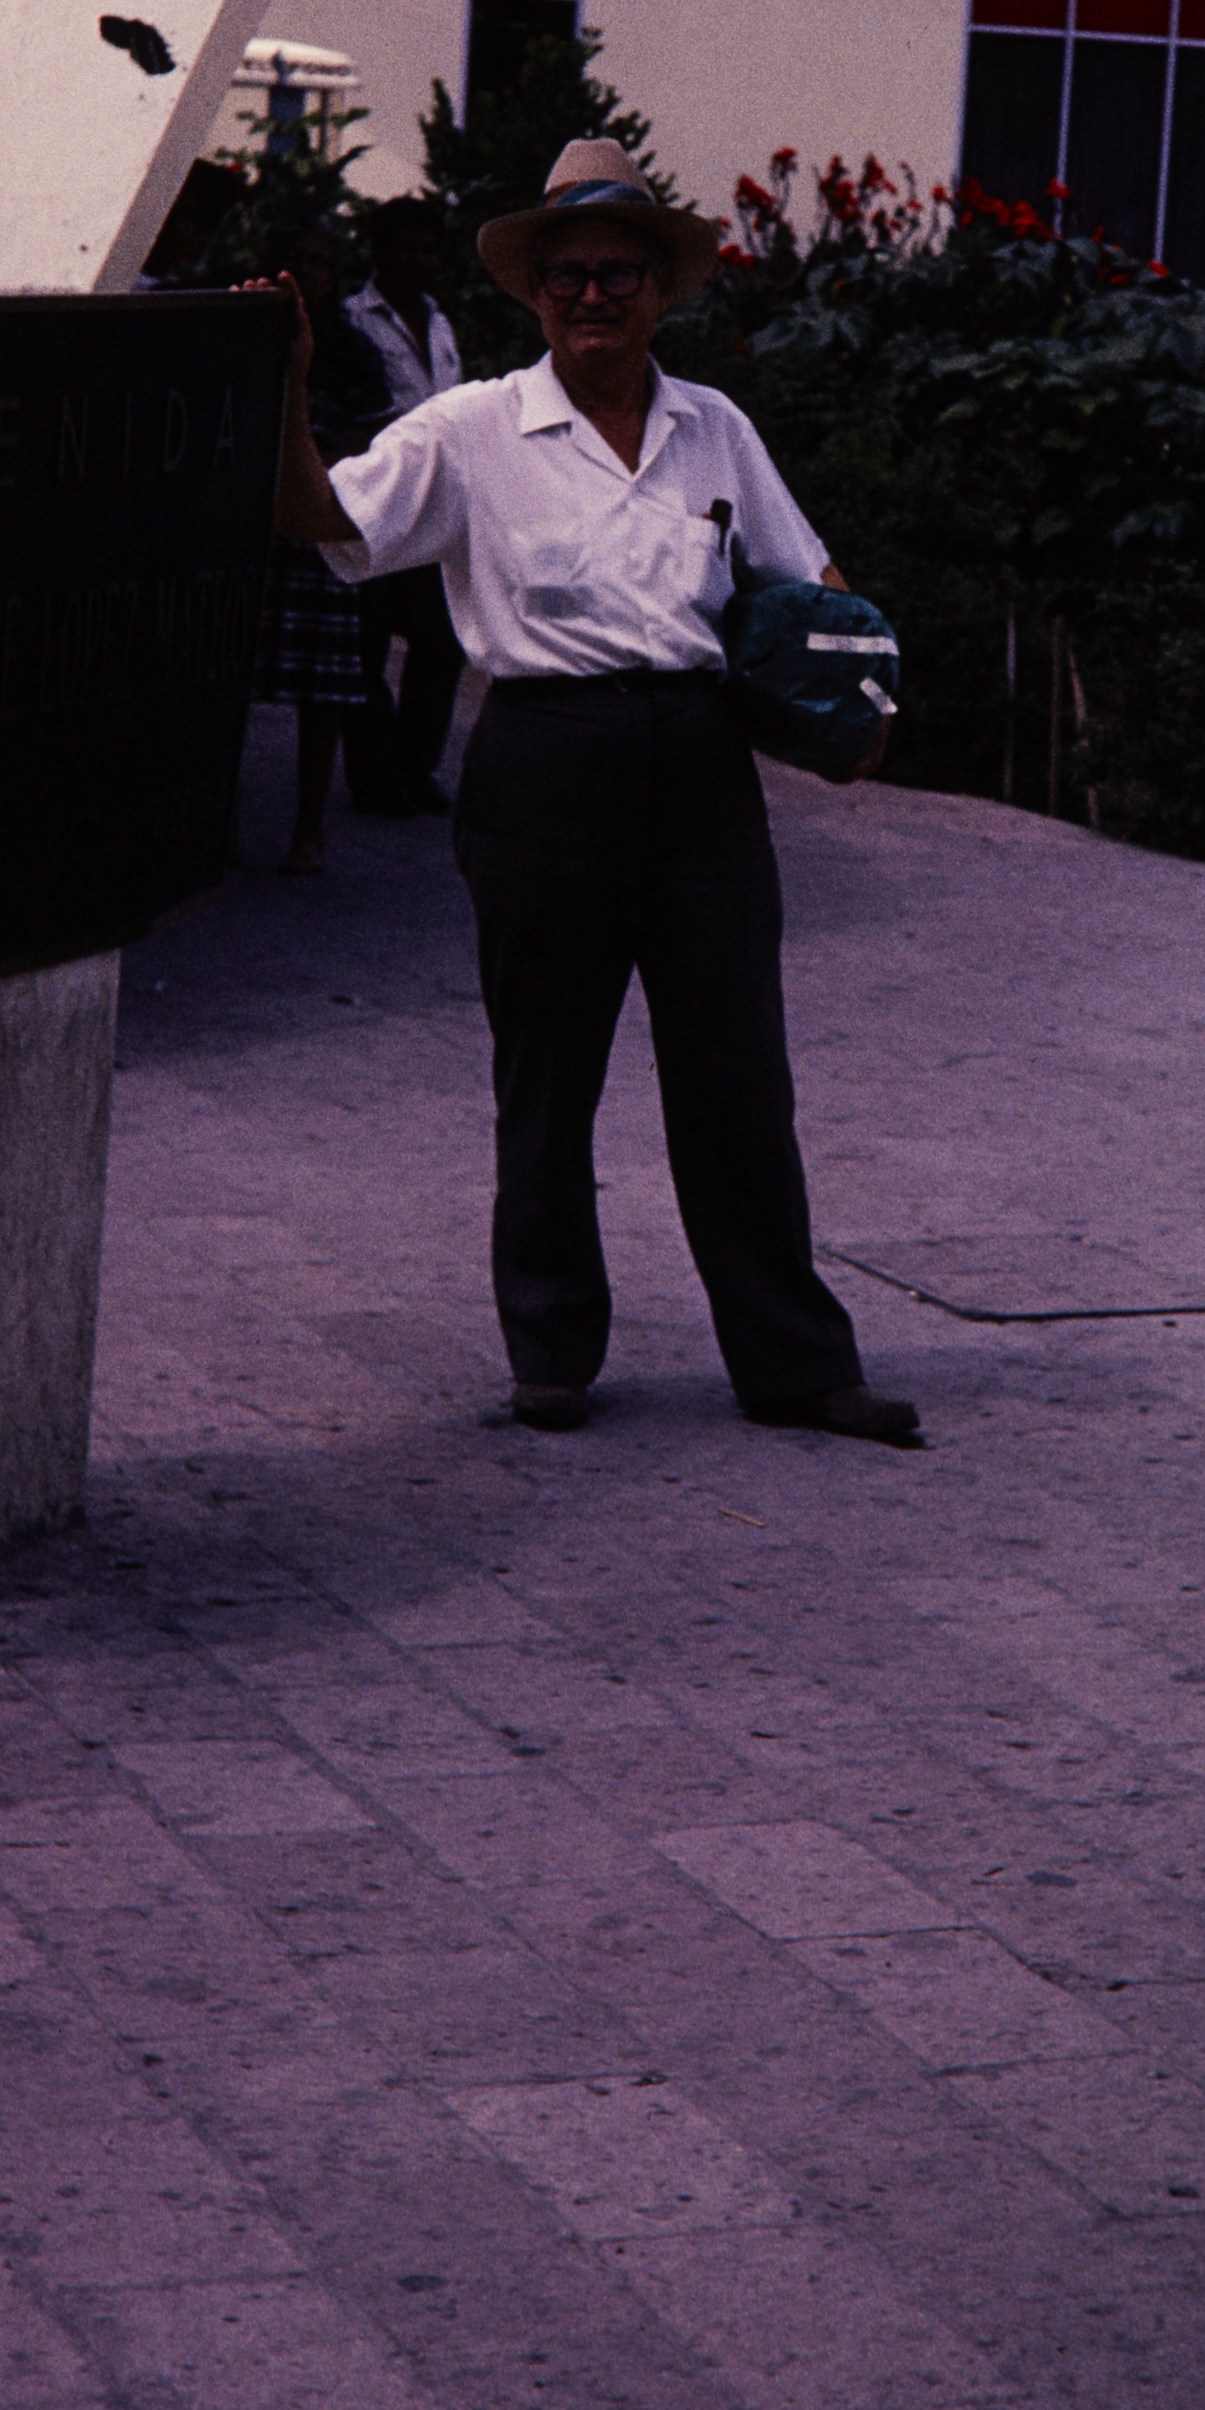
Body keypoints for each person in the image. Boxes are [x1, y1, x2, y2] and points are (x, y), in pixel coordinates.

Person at [260, 137, 920, 1449]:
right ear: (533, 292)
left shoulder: (713, 428)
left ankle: (794, 1363)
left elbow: (811, 578)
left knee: (737, 1072)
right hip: (543, 764)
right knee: (547, 1073)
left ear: (661, 289)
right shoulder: (470, 430)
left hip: (698, 767)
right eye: (566, 275)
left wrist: (853, 701)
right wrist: (282, 383)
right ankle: (550, 1350)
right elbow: (324, 525)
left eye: (619, 273)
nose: (592, 296)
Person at [245, 221, 394, 872]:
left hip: (324, 517)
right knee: (236, 678)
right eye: (297, 260)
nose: (309, 274)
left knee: (323, 688)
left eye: (321, 263)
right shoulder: (247, 333)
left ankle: (309, 830)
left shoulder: (352, 348)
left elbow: (374, 436)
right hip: (251, 525)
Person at [339, 202, 466, 819]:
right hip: (375, 503)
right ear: (380, 250)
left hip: (436, 508)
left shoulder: (440, 321)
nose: (418, 260)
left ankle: (416, 767)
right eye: (405, 247)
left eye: (427, 249)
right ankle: (375, 776)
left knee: (441, 642)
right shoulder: (352, 319)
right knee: (363, 646)